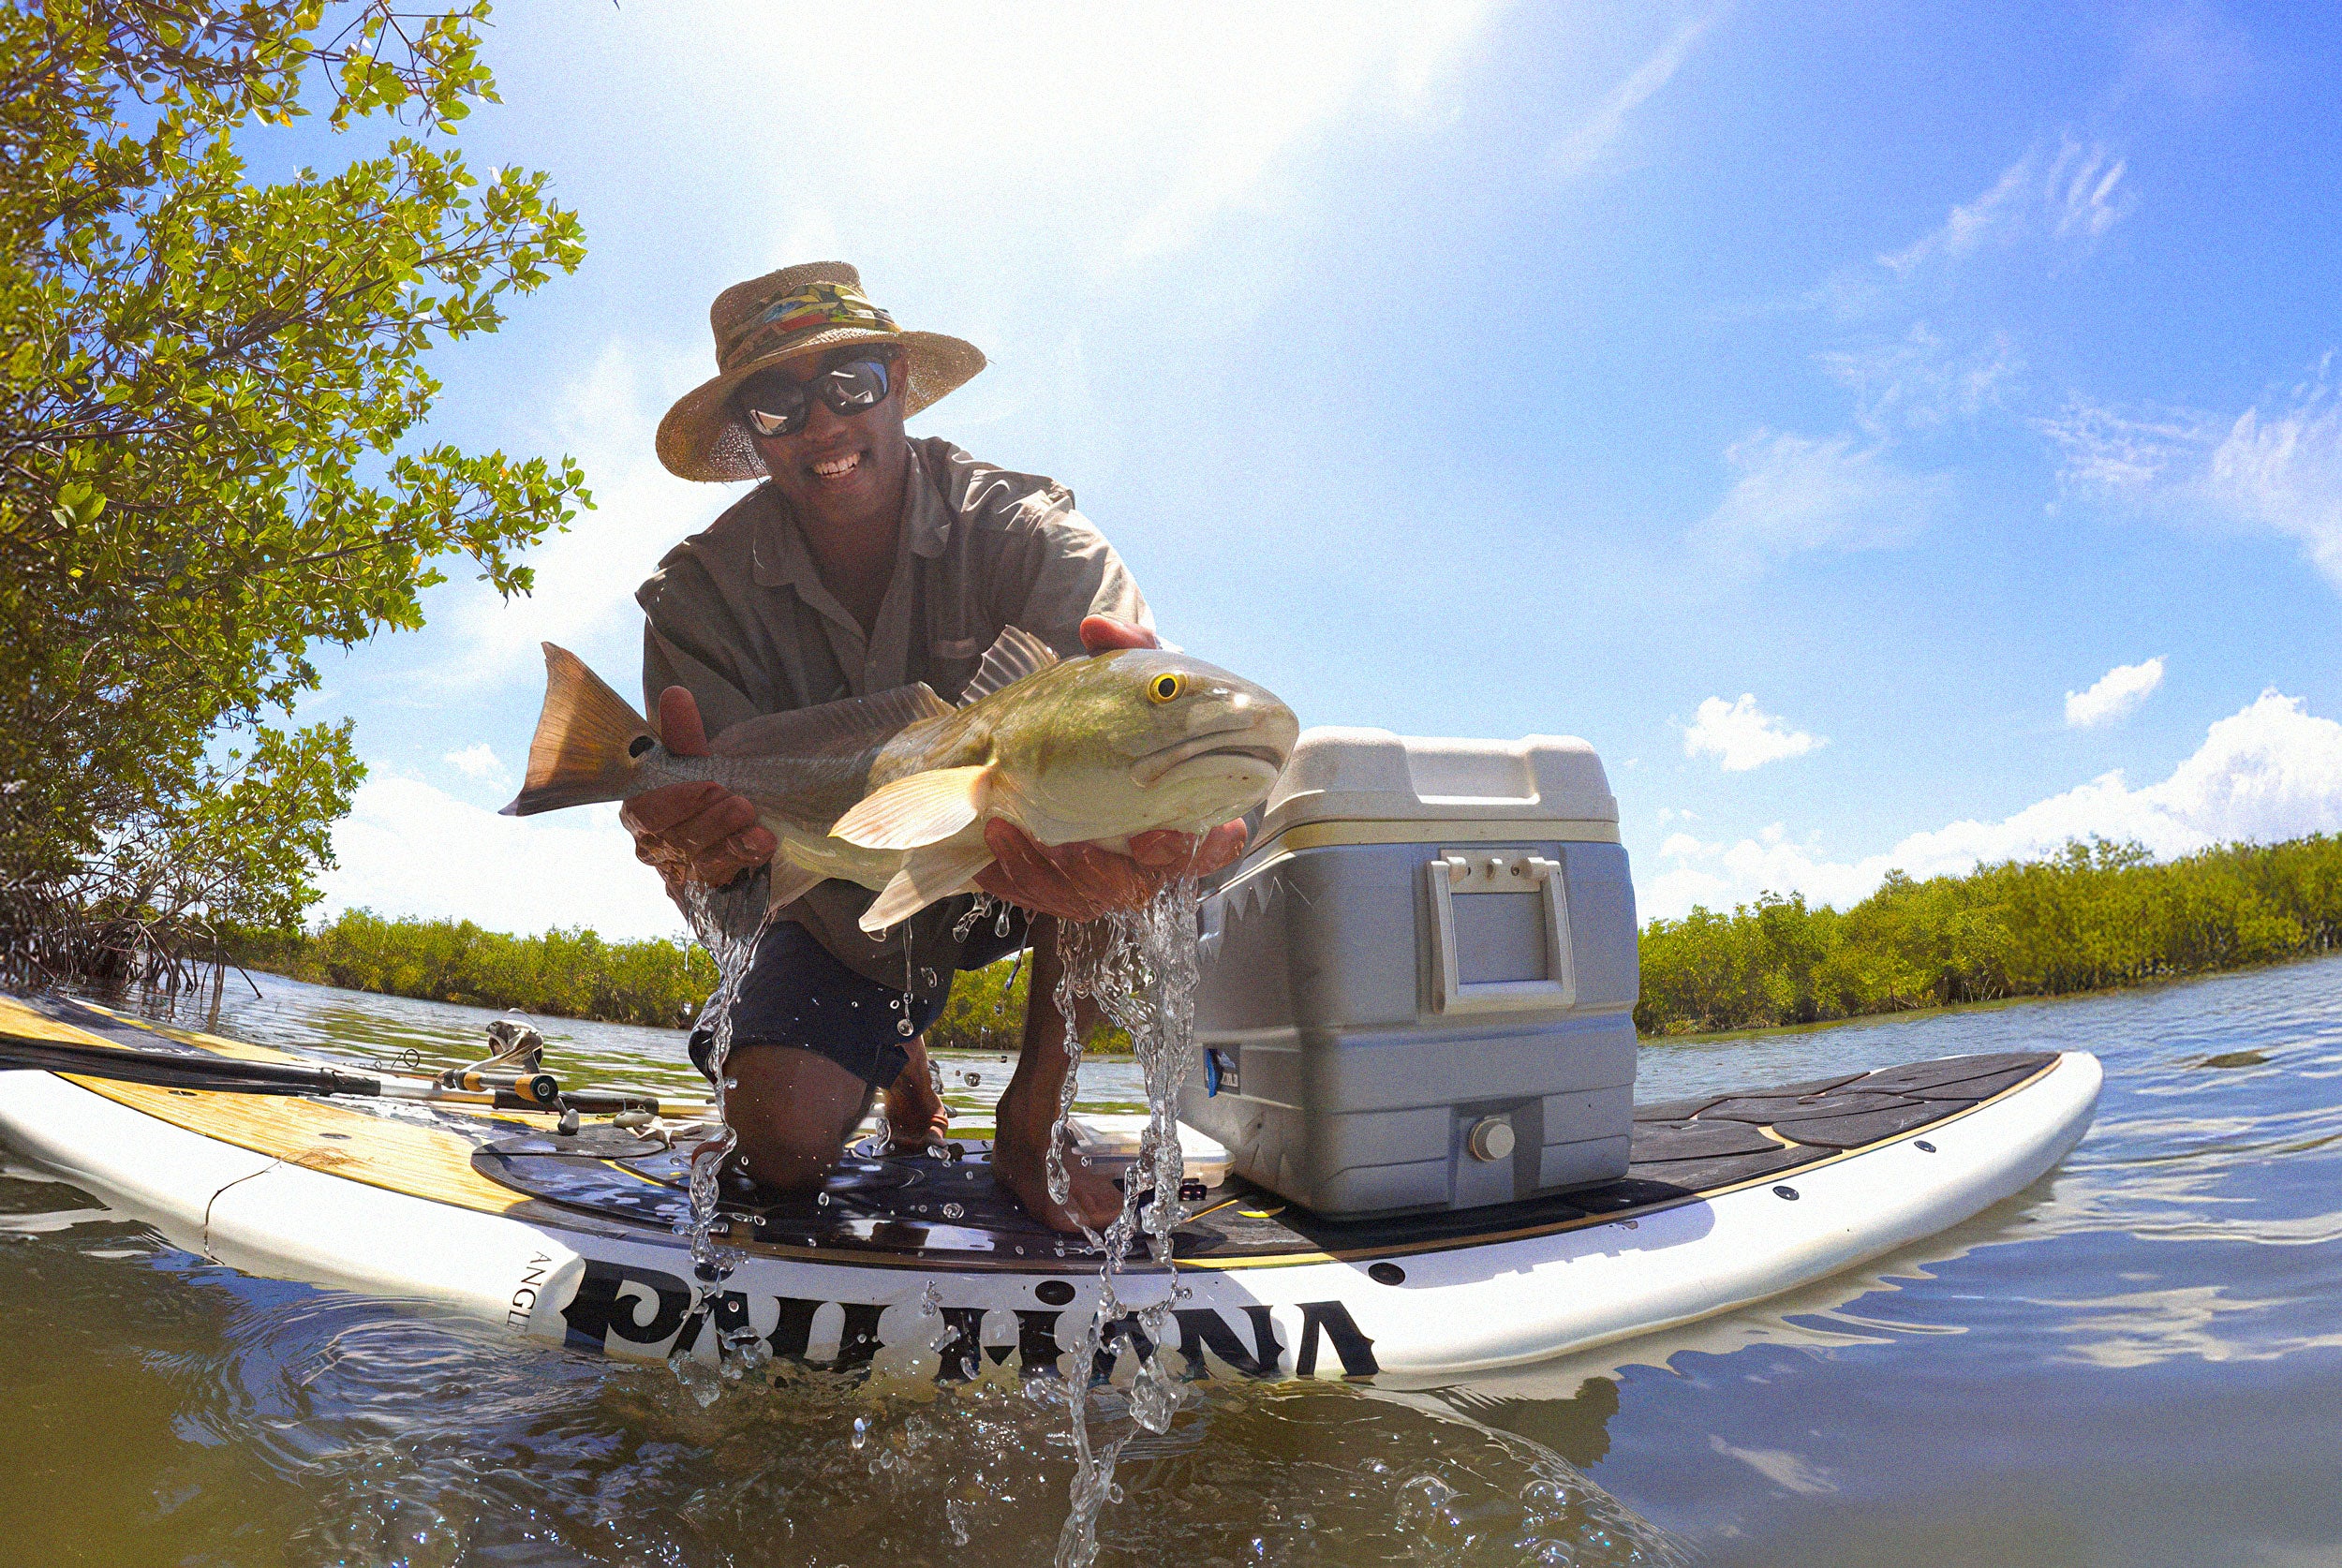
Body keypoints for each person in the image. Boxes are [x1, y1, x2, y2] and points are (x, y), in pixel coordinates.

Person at [623, 262, 1244, 1232]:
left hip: (1030, 863)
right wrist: (689, 849)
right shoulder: (697, 597)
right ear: (750, 434)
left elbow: (1141, 718)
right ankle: (899, 1060)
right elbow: (721, 858)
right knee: (777, 1147)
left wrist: (1166, 804)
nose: (822, 423)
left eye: (850, 384)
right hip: (836, 889)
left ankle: (1033, 1111)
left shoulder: (1035, 537)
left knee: (1140, 817)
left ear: (900, 382)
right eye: (779, 403)